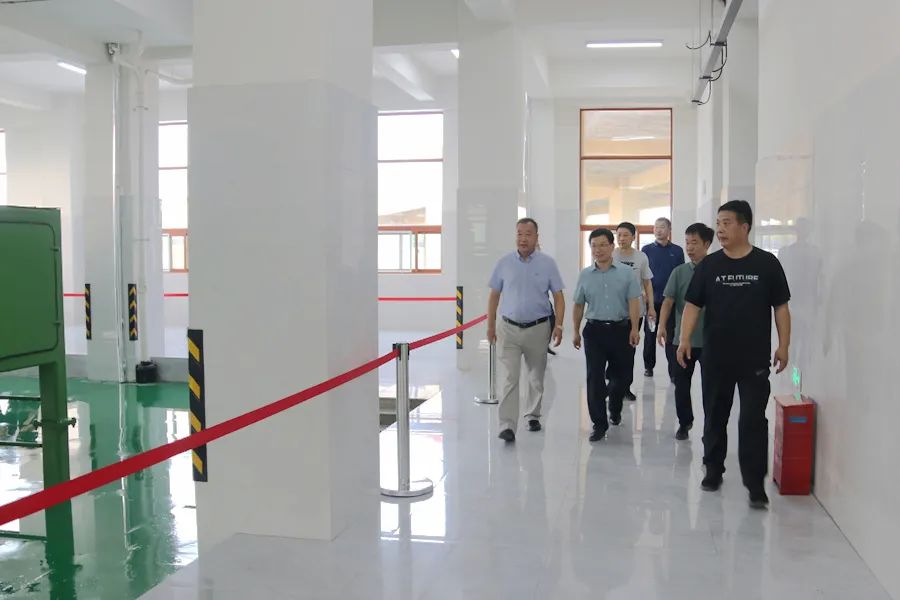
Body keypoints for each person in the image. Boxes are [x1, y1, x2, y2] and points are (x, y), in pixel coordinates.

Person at [678, 200, 791, 509]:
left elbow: (781, 307)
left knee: (753, 420)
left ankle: (755, 484)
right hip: (716, 357)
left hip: (754, 359)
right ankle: (713, 470)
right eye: (718, 223)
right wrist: (685, 339)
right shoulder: (710, 266)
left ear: (745, 226)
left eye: (727, 223)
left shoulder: (767, 264)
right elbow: (693, 305)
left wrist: (784, 345)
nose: (720, 229)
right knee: (715, 415)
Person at [487, 218, 565, 442]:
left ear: (536, 237)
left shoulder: (548, 264)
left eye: (528, 234)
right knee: (510, 377)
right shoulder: (504, 263)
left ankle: (532, 415)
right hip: (508, 328)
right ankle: (507, 425)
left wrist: (559, 325)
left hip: (538, 328)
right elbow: (494, 296)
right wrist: (491, 325)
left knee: (536, 376)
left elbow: (559, 297)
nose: (523, 238)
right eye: (519, 234)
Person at [573, 228, 642, 442]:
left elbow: (633, 301)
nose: (598, 249)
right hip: (594, 331)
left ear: (612, 246)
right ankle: (599, 424)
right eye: (594, 245)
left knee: (621, 377)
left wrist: (634, 328)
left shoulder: (626, 273)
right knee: (594, 378)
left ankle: (615, 405)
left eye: (603, 245)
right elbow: (578, 304)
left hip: (621, 330)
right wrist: (575, 331)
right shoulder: (585, 275)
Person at [658, 223, 714, 441]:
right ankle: (684, 422)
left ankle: (710, 427)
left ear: (707, 244)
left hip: (710, 341)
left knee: (711, 388)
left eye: (694, 243)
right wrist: (662, 326)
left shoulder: (716, 270)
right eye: (687, 243)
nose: (689, 248)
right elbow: (668, 301)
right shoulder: (679, 272)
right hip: (683, 340)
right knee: (681, 384)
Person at [612, 222, 653, 401]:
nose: (621, 238)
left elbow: (647, 283)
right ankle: (613, 385)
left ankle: (625, 387)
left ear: (633, 237)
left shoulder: (641, 257)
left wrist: (651, 307)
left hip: (635, 312)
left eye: (625, 235)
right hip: (613, 312)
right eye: (619, 235)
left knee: (629, 351)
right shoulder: (611, 254)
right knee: (613, 351)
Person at [642, 217, 685, 381]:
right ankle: (648, 367)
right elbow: (643, 275)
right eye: (656, 227)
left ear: (669, 230)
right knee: (650, 335)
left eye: (662, 227)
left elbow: (680, 275)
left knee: (671, 336)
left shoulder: (677, 251)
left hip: (671, 301)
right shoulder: (646, 250)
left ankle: (673, 371)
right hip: (651, 302)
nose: (658, 230)